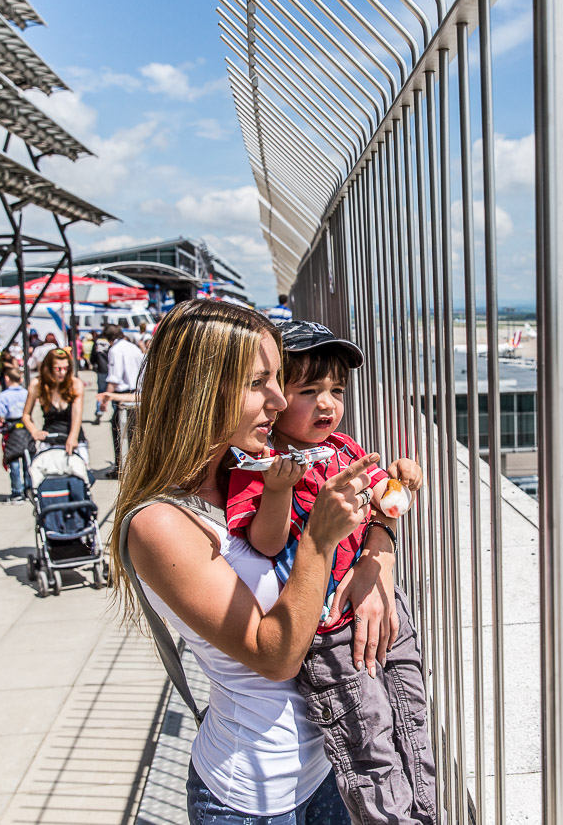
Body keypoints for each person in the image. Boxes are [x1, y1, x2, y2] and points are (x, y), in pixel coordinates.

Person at [112, 299, 400, 824]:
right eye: (258, 382)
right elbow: (275, 657)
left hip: (325, 767)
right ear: (200, 390)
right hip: (250, 799)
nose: (276, 398)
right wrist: (318, 540)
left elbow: (371, 507)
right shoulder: (161, 524)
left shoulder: (248, 477)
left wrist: (378, 546)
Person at [226, 320, 435, 824]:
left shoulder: (342, 449)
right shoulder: (259, 462)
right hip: (326, 629)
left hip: (387, 614)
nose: (327, 403)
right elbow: (265, 541)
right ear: (274, 397)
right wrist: (279, 491)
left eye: (336, 390)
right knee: (369, 745)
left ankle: (427, 814)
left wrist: (403, 483)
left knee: (412, 719)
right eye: (308, 390)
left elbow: (384, 503)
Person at [23, 348, 88, 464]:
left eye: (66, 368)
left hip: (73, 438)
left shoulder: (75, 384)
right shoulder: (37, 385)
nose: (63, 372)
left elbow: (77, 414)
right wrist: (34, 432)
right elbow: (26, 415)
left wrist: (73, 436)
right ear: (48, 368)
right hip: (49, 439)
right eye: (58, 369)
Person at [102, 323, 144, 474]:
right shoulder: (133, 347)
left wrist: (106, 398)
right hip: (137, 393)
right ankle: (134, 467)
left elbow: (114, 377)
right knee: (134, 433)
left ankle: (121, 467)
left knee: (120, 432)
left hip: (125, 394)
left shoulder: (115, 350)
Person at [0, 367, 30, 502]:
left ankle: (17, 491)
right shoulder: (26, 393)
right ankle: (29, 489)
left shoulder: (4, 395)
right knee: (27, 459)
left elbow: (1, 415)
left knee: (13, 460)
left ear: (7, 379)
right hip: (25, 426)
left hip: (11, 428)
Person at [89, 330, 110, 423]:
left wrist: (93, 363)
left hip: (101, 369)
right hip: (110, 369)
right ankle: (115, 412)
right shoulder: (111, 342)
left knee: (101, 391)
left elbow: (93, 356)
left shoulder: (97, 341)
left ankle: (99, 411)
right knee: (112, 393)